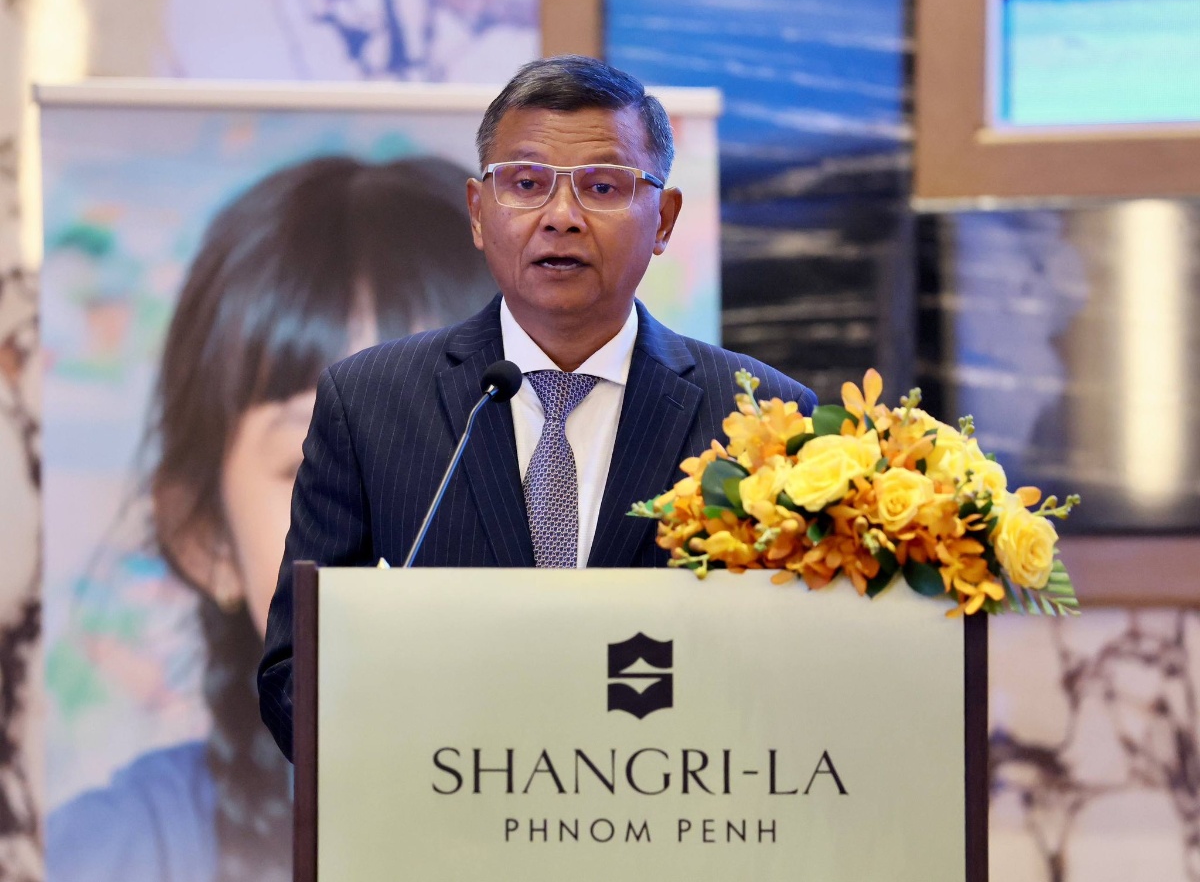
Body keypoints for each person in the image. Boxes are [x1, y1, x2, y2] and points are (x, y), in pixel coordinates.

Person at [257, 55, 818, 761]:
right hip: (447, 810)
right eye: (526, 184)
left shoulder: (762, 416)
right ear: (478, 212)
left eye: (602, 186)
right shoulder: (368, 403)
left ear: (665, 219)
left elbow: (799, 671)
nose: (561, 217)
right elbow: (294, 673)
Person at [45, 154, 498, 882]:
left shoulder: (649, 821)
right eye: (319, 459)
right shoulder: (107, 855)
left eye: (459, 448)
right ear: (206, 538)